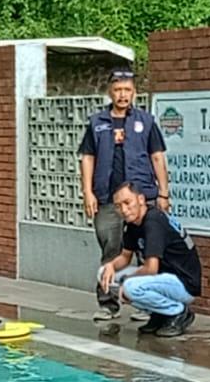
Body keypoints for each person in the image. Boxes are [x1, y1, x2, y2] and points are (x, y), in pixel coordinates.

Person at [79, 69, 170, 322]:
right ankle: (108, 303)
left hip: (141, 199)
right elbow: (88, 158)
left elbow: (157, 157)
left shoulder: (146, 121)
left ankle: (146, 304)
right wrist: (87, 192)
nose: (123, 95)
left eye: (127, 90)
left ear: (134, 92)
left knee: (146, 251)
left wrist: (163, 193)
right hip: (107, 198)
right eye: (118, 89)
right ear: (110, 91)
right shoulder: (97, 122)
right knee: (111, 249)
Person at [97, 183, 202, 336]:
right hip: (162, 279)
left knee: (130, 287)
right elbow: (125, 257)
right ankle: (159, 315)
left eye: (127, 203)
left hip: (183, 283)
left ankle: (178, 312)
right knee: (104, 274)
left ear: (140, 199)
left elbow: (151, 268)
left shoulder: (153, 221)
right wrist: (111, 266)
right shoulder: (132, 223)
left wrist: (126, 281)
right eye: (118, 206)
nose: (124, 210)